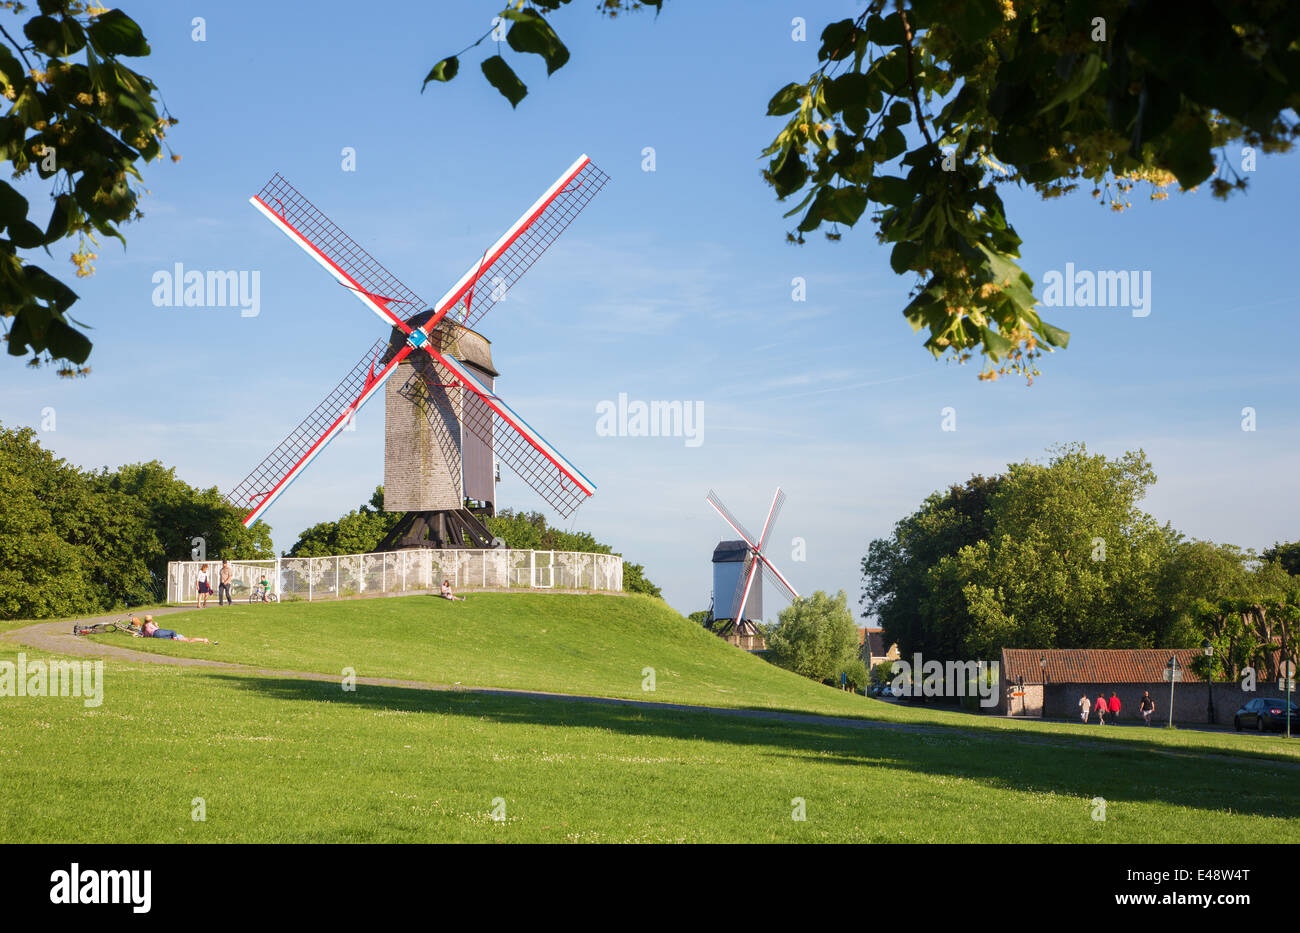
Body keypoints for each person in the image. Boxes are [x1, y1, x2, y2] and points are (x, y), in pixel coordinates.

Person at [141, 615, 212, 644]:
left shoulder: (144, 626)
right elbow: (157, 631)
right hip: (158, 633)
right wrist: (156, 625)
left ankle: (203, 640)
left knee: (186, 639)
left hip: (157, 636)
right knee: (174, 632)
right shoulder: (150, 625)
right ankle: (203, 640)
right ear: (151, 620)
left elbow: (145, 634)